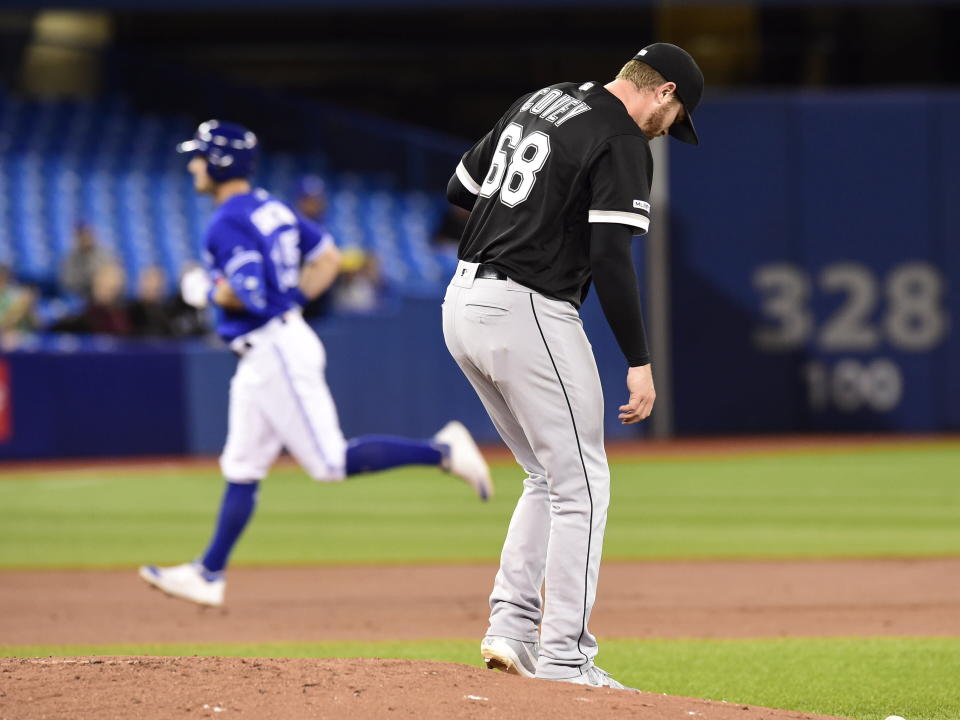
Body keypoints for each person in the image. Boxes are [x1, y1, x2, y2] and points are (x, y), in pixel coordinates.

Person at [139, 120, 492, 607]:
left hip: (272, 348)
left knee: (328, 462)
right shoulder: (269, 207)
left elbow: (249, 293)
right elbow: (326, 257)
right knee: (242, 465)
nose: (193, 164)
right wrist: (292, 304)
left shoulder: (226, 220)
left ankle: (443, 452)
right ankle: (209, 572)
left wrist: (205, 290)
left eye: (199, 155)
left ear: (219, 162)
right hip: (270, 347)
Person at [442, 44, 703, 689]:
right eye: (676, 117)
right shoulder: (622, 139)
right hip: (529, 306)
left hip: (463, 301)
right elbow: (611, 258)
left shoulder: (545, 98)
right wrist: (639, 361)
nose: (670, 131)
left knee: (545, 475)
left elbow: (459, 188)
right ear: (663, 92)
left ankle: (510, 628)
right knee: (584, 484)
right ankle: (565, 657)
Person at [50, 261, 132, 335]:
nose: (109, 292)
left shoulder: (127, 317)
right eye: (104, 286)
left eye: (113, 288)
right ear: (95, 284)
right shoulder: (82, 318)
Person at [59, 222, 115, 300]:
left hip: (102, 293)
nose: (85, 238)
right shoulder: (70, 258)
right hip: (83, 294)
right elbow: (68, 282)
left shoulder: (103, 255)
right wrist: (91, 281)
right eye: (81, 235)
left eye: (87, 234)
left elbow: (111, 274)